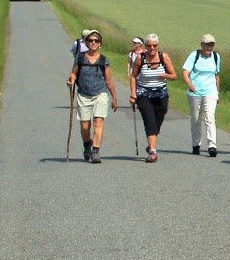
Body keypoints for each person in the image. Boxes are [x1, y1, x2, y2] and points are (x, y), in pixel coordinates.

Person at [66, 30, 118, 163]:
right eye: (90, 40)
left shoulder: (103, 60)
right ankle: (87, 145)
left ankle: (95, 151)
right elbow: (73, 73)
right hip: (84, 94)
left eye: (96, 41)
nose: (93, 43)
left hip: (100, 93)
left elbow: (109, 81)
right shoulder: (80, 58)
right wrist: (71, 80)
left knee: (98, 122)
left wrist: (114, 98)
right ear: (86, 42)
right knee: (85, 125)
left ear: (100, 43)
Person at [129, 33, 176, 163]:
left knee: (157, 122)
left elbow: (174, 75)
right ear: (145, 46)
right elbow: (133, 76)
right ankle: (153, 152)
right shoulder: (140, 58)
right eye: (149, 45)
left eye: (154, 45)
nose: (152, 48)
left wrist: (165, 75)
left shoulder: (163, 57)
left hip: (161, 94)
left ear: (158, 46)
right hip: (144, 94)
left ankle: (151, 143)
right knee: (149, 120)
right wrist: (133, 94)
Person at [183, 33, 221, 157]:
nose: (209, 46)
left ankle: (212, 145)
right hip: (195, 91)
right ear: (202, 44)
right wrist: (190, 85)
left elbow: (216, 75)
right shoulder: (194, 56)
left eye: (211, 44)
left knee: (210, 117)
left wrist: (217, 92)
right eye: (207, 44)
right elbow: (185, 73)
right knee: (195, 119)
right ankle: (196, 144)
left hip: (210, 91)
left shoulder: (216, 57)